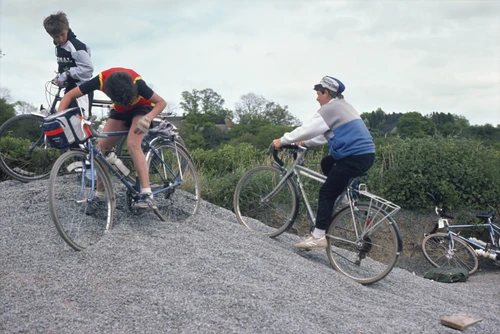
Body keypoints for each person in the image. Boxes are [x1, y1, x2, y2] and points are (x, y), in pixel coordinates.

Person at [272, 76, 375, 250]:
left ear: (326, 93)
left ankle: (318, 236)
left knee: (326, 192)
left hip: (353, 156)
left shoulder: (330, 109)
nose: (317, 98)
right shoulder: (344, 107)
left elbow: (308, 129)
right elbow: (323, 134)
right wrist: (305, 143)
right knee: (327, 163)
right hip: (364, 154)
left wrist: (282, 140)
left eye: (318, 94)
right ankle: (344, 196)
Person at [58, 67, 167, 209]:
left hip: (142, 109)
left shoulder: (137, 83)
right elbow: (68, 96)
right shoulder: (100, 80)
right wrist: (60, 118)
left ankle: (147, 194)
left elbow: (161, 102)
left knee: (133, 143)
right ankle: (100, 195)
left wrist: (148, 119)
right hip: (120, 111)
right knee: (101, 149)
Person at [43, 11, 94, 115]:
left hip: (81, 89)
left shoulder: (75, 46)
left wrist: (68, 73)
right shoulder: (59, 48)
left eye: (62, 34)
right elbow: (65, 66)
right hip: (70, 89)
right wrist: (59, 77)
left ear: (67, 29)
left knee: (79, 124)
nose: (60, 39)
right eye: (56, 37)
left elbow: (88, 69)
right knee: (65, 122)